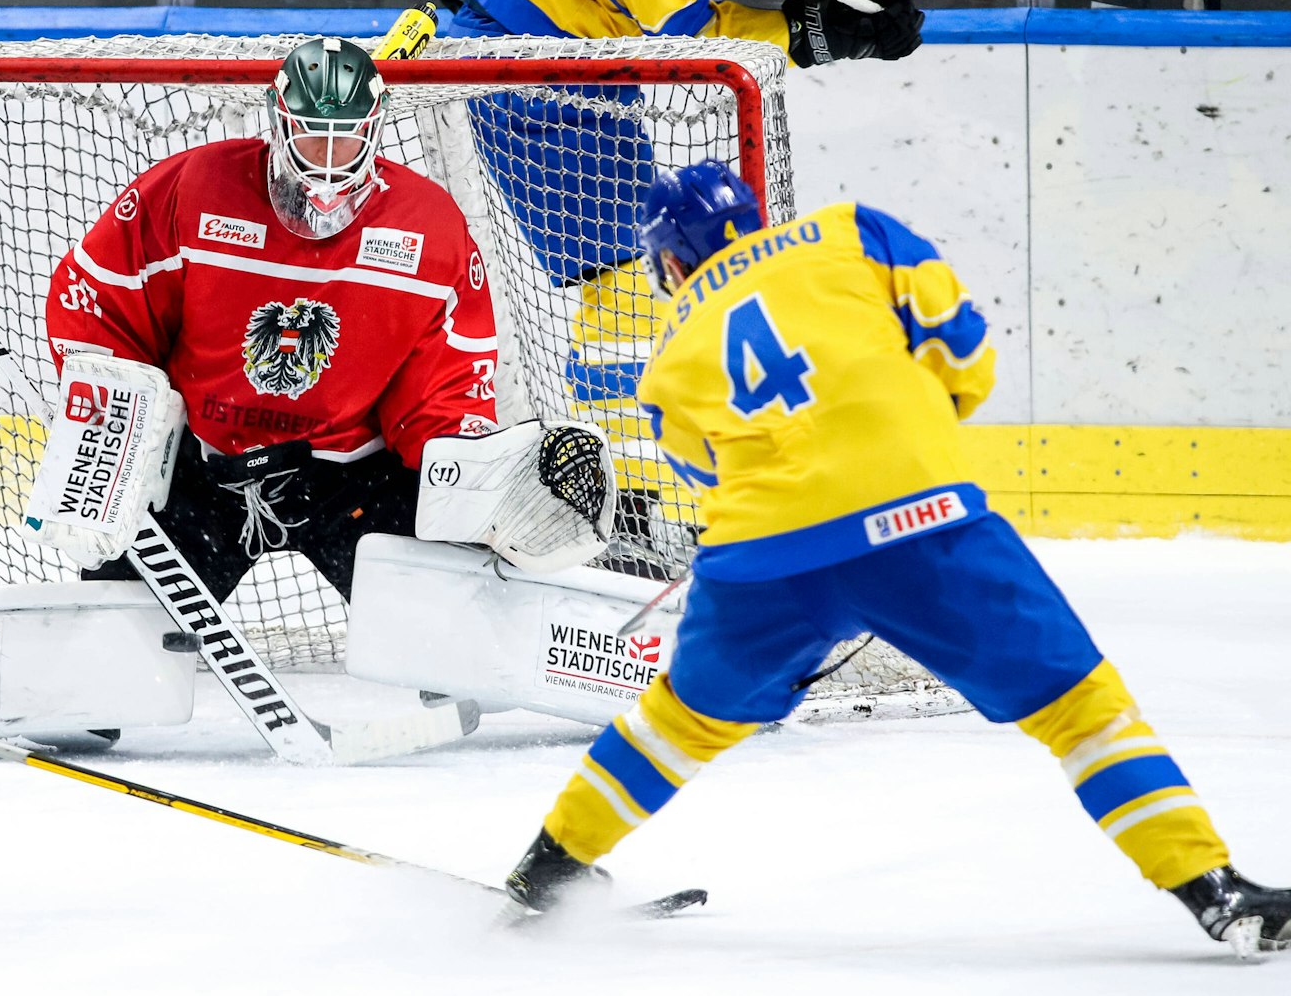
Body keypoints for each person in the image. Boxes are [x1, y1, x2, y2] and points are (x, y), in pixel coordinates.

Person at [498, 161, 1290, 958]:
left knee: (681, 720)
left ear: (670, 262)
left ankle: (552, 862)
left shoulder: (667, 353)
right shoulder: (851, 232)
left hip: (762, 559)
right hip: (920, 523)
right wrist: (915, 427)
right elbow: (961, 346)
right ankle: (1212, 890)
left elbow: (706, 475)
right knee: (1081, 709)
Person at [445, 0, 925, 555]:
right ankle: (622, 516)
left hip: (596, 56)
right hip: (524, 52)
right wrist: (820, 34)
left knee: (646, 278)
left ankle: (645, 498)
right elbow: (687, 46)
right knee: (625, 281)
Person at [39, 36, 501, 608]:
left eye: (346, 139)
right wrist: (116, 432)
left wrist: (460, 476)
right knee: (118, 642)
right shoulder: (198, 188)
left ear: (374, 133)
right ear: (279, 125)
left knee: (443, 629)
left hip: (351, 484)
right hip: (205, 476)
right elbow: (100, 300)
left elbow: (448, 385)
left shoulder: (429, 226)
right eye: (311, 134)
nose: (328, 162)